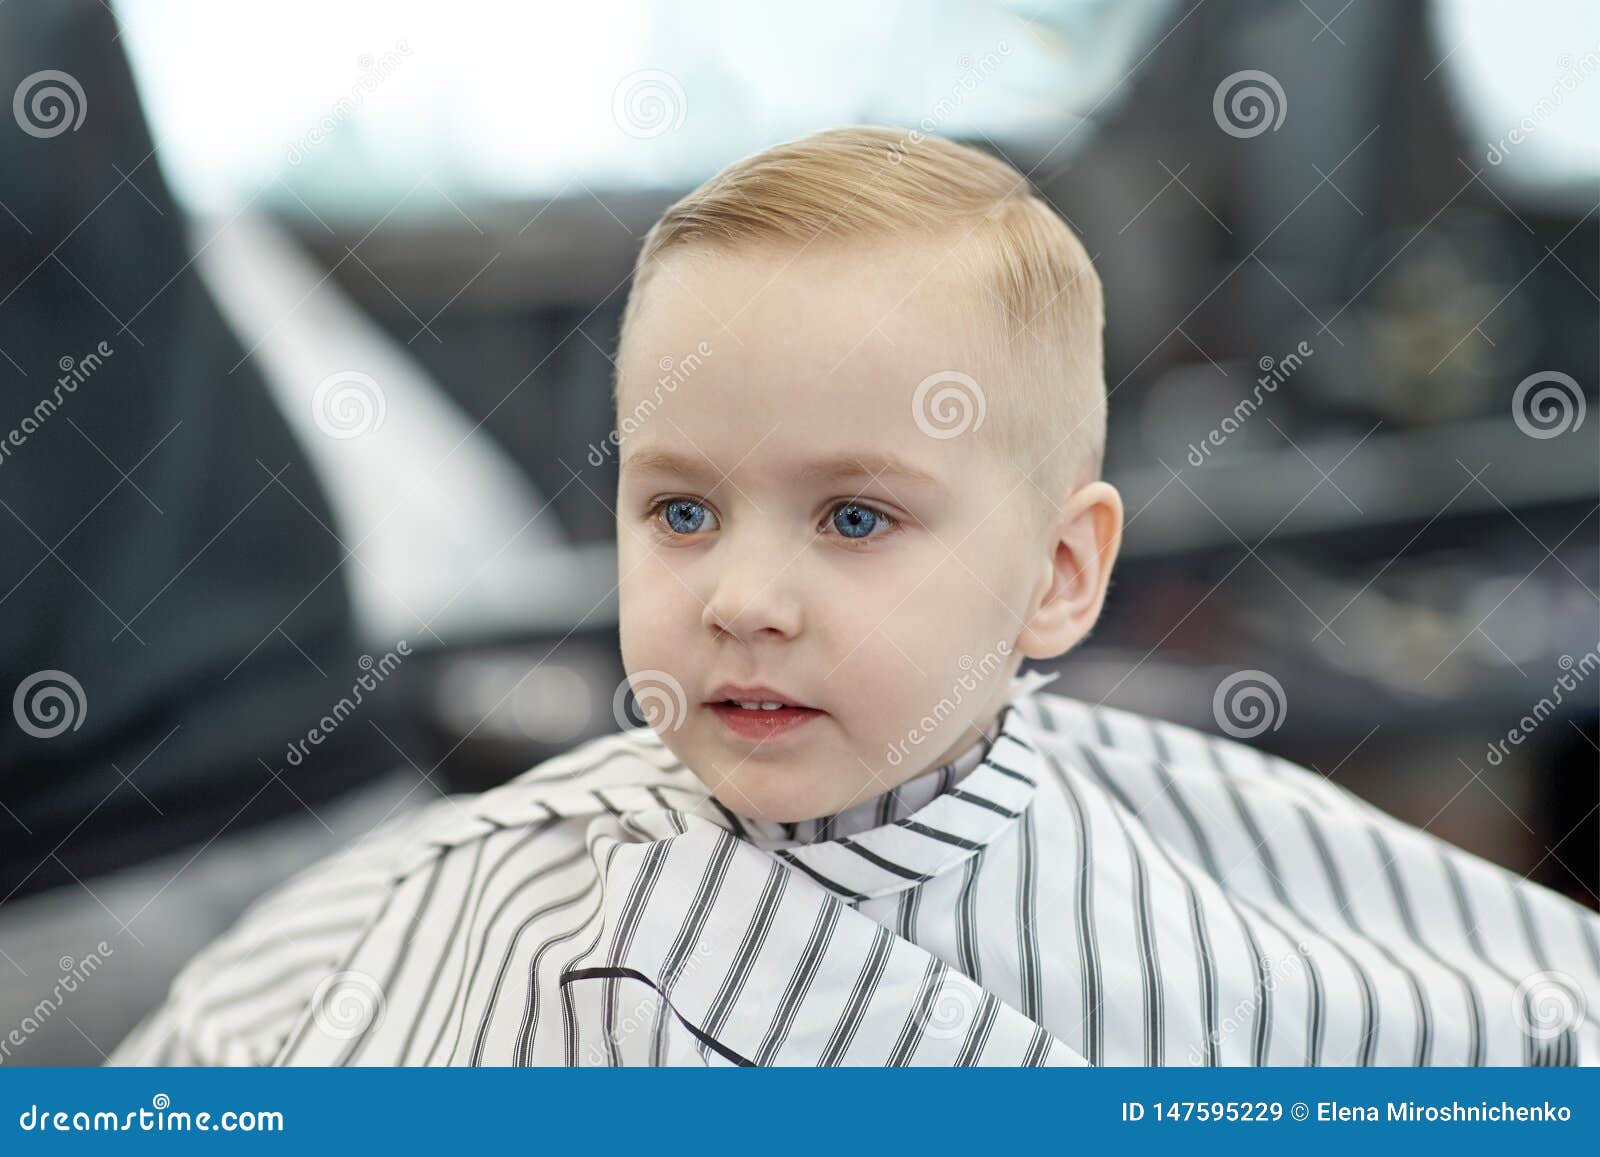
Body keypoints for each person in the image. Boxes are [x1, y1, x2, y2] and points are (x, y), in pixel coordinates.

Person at [109, 127, 1600, 1066]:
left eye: (855, 515)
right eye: (681, 510)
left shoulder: (1222, 861)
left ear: (1062, 573)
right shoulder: (513, 914)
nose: (745, 597)